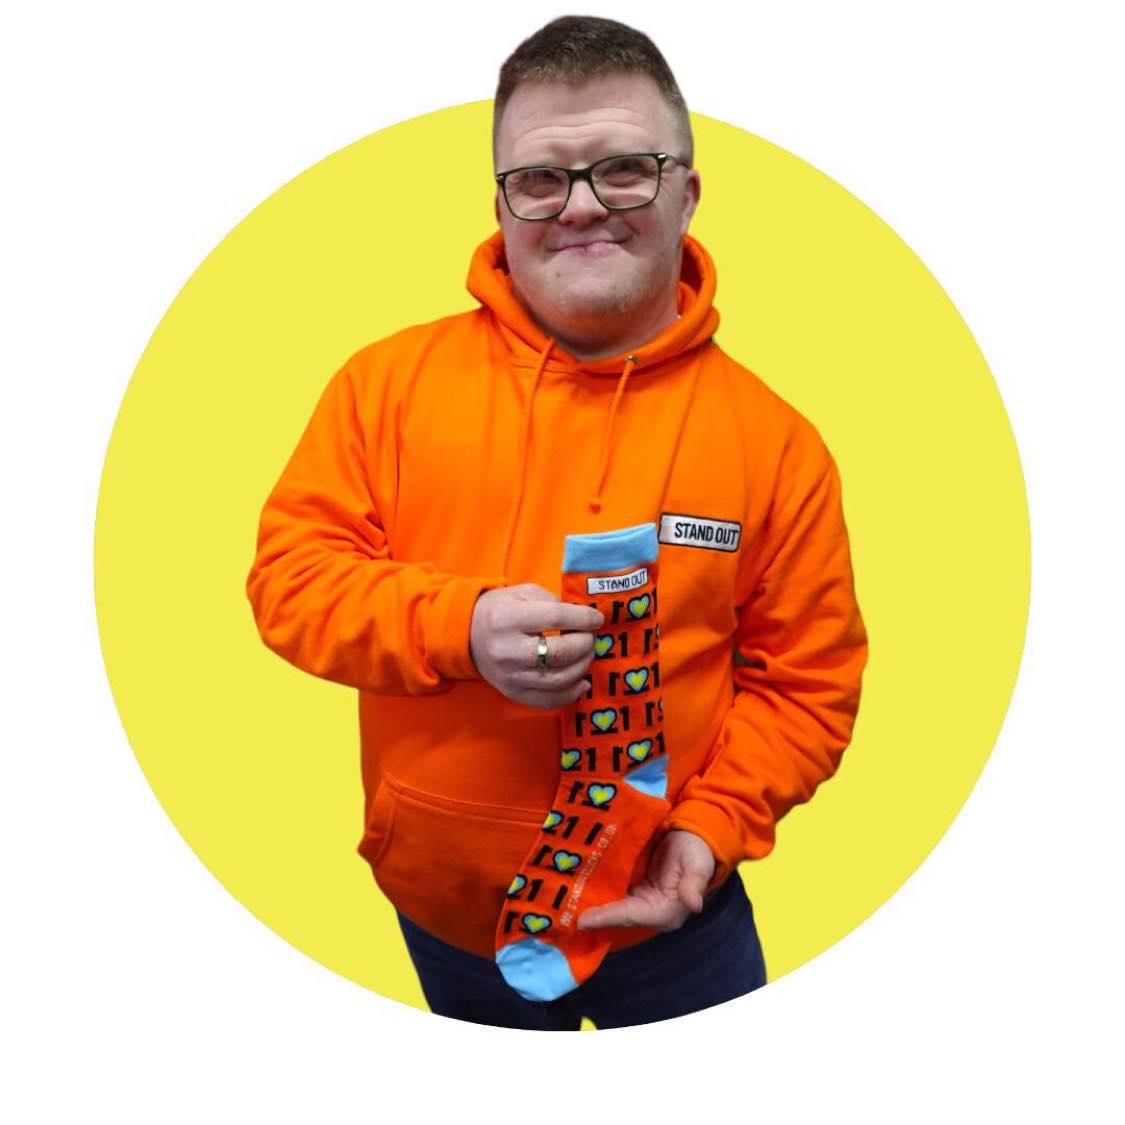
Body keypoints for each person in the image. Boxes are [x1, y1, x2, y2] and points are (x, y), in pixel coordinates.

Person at [246, 15, 867, 1030]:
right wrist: (459, 627)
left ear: (687, 190)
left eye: (624, 169)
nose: (580, 208)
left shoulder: (778, 443)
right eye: (541, 179)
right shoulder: (384, 387)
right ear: (502, 201)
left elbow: (809, 684)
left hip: (677, 918)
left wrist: (709, 832)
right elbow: (289, 583)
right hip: (451, 916)